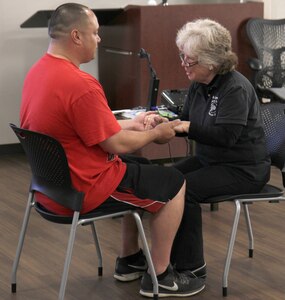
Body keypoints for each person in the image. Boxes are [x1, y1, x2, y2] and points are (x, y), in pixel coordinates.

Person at [19, 3, 205, 298]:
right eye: (95, 33)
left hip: (49, 188)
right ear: (77, 36)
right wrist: (156, 132)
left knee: (131, 164)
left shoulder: (39, 72)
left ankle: (129, 260)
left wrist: (134, 124)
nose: (99, 39)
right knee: (173, 183)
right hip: (83, 189)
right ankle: (161, 276)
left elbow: (91, 129)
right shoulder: (81, 84)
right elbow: (113, 144)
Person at [170, 18, 271, 278]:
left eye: (189, 60)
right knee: (166, 180)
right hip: (211, 161)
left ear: (211, 62)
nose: (184, 65)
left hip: (244, 169)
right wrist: (165, 122)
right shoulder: (198, 84)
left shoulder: (235, 88)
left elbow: (225, 136)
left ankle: (192, 268)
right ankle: (165, 260)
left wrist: (186, 126)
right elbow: (186, 118)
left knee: (185, 191)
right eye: (183, 56)